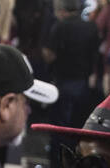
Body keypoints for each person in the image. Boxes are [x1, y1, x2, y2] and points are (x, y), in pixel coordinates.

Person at [42, 0, 102, 130]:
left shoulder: (60, 26)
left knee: (59, 125)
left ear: (62, 10)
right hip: (83, 83)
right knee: (79, 123)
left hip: (63, 82)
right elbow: (97, 54)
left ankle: (57, 149)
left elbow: (49, 55)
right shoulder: (91, 27)